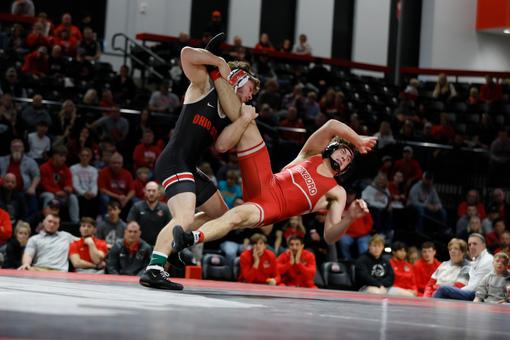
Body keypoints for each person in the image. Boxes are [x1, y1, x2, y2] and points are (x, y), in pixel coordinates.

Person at [171, 84, 377, 257]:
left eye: (348, 159)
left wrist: (349, 217)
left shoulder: (336, 192)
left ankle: (191, 238)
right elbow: (332, 124)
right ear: (332, 148)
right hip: (265, 181)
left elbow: (330, 235)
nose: (344, 157)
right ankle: (217, 87)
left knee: (234, 217)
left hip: (270, 208)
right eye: (343, 151)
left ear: (344, 170)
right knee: (248, 124)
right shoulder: (311, 154)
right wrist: (357, 140)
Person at [139, 42, 260, 290]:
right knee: (183, 216)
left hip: (189, 167)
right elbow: (185, 53)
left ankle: (179, 240)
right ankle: (154, 268)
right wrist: (219, 63)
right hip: (174, 161)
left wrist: (246, 119)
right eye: (250, 89)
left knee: (221, 215)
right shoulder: (204, 86)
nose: (251, 96)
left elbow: (223, 146)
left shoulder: (228, 114)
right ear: (237, 78)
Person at [433, 233, 493, 301]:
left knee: (443, 289)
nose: (471, 247)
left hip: (477, 294)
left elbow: (474, 287)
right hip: (472, 291)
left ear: (483, 245)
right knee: (443, 291)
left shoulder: (486, 260)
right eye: (470, 244)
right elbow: (431, 283)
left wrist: (453, 291)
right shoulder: (476, 260)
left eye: (475, 244)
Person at [39, 146, 79, 224]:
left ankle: (75, 223)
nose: (63, 158)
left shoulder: (66, 169)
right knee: (49, 196)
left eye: (65, 156)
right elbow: (44, 184)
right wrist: (56, 191)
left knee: (73, 197)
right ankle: (47, 221)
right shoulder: (44, 167)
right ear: (54, 156)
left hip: (61, 196)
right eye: (61, 156)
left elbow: (69, 184)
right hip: (46, 194)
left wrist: (68, 188)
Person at [127, 182, 171, 246]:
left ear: (158, 193)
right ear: (145, 192)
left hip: (159, 246)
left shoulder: (165, 208)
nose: (151, 193)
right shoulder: (136, 207)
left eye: (154, 191)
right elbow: (130, 226)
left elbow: (169, 228)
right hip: (140, 246)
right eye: (149, 190)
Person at [70, 147, 98, 218]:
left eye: (87, 156)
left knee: (94, 199)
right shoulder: (73, 168)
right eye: (83, 155)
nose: (85, 157)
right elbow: (75, 184)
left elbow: (94, 184)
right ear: (79, 156)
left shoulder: (94, 170)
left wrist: (93, 193)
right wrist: (84, 193)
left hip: (90, 194)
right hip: (78, 194)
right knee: (83, 200)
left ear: (90, 157)